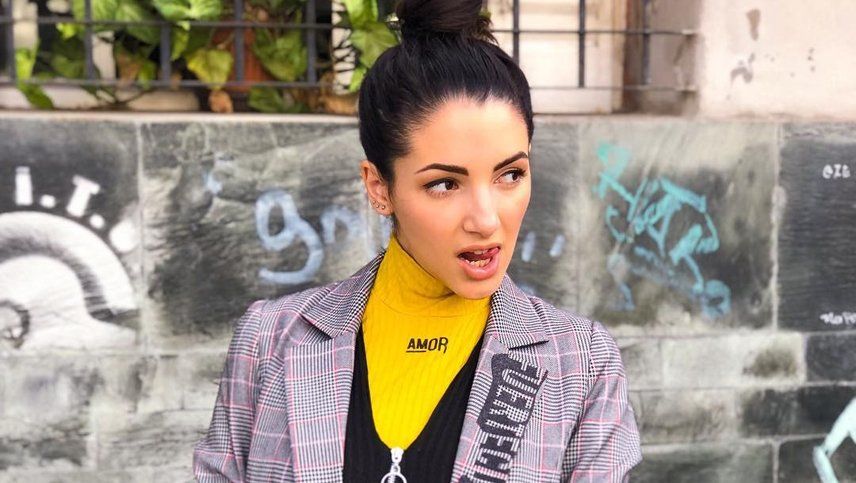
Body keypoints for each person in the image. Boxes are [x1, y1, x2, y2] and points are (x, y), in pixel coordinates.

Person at [192, 0, 642, 481]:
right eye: (444, 184)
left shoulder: (580, 363)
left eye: (510, 174)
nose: (486, 219)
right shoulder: (271, 340)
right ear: (379, 188)